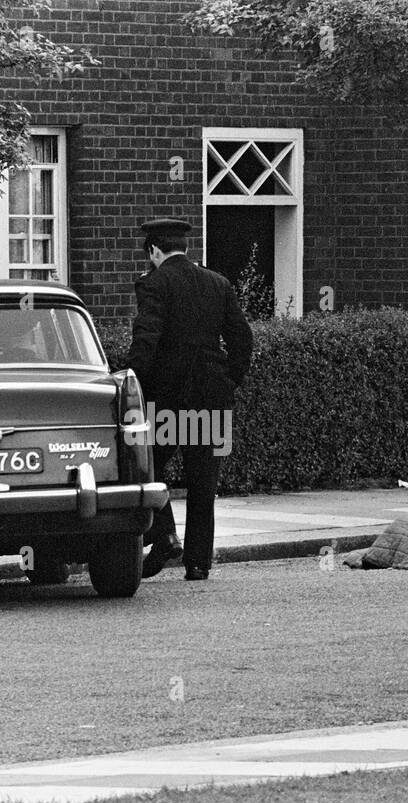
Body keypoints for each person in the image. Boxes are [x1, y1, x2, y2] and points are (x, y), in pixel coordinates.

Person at [127, 217, 253, 581]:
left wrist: (130, 382)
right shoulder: (219, 283)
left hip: (168, 399)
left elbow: (146, 340)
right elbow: (242, 339)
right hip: (212, 398)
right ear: (185, 247)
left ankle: (164, 535)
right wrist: (229, 380)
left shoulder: (154, 284)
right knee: (204, 483)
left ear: (153, 250)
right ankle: (198, 563)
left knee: (147, 469)